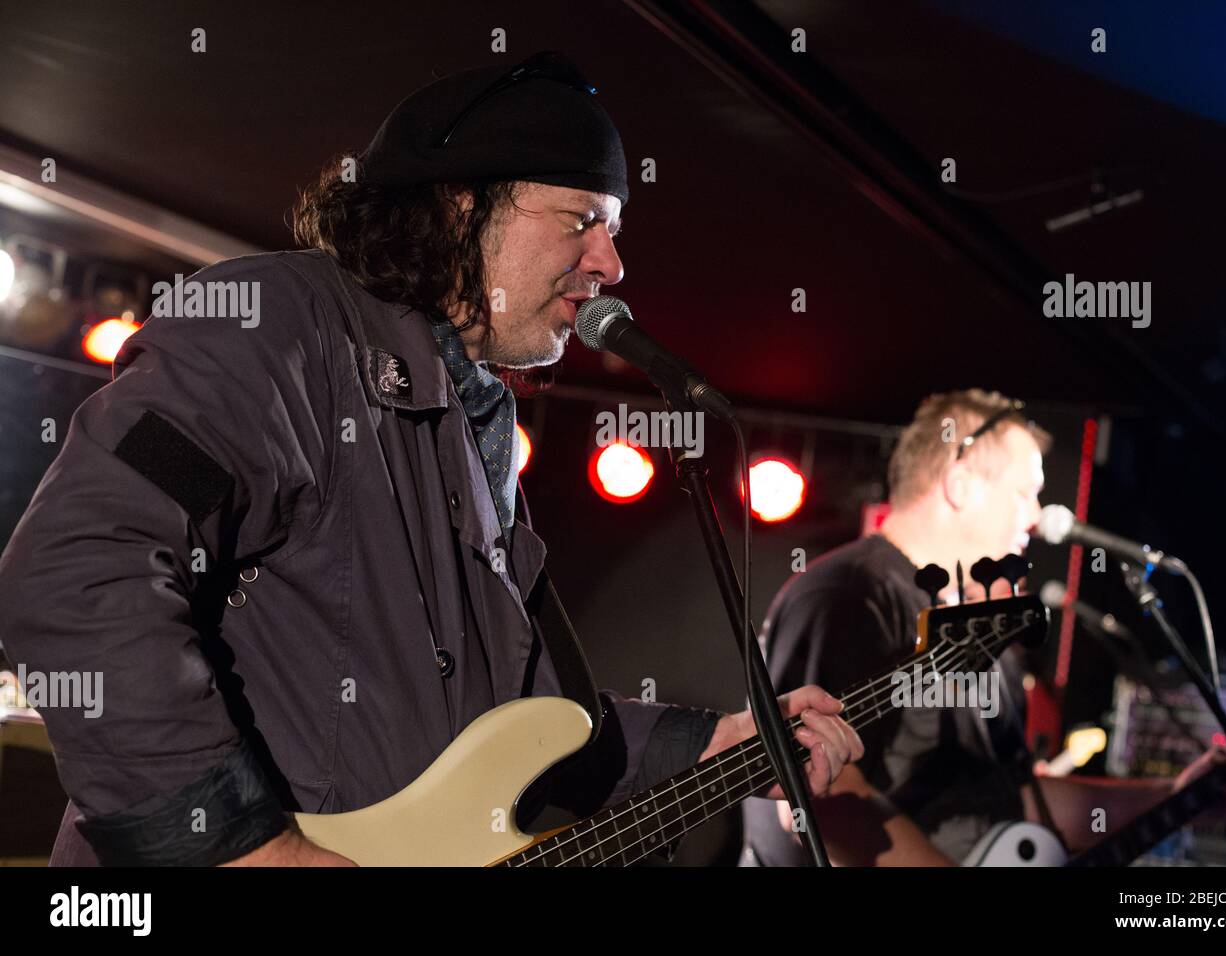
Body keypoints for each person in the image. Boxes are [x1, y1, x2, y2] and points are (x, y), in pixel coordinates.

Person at [0, 51, 860, 867]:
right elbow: (74, 566)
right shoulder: (278, 326)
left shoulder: (472, 421)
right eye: (584, 220)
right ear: (461, 205)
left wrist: (713, 743)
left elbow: (515, 721)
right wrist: (232, 844)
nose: (612, 261)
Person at [742, 389, 1226, 866]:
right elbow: (814, 799)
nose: (1038, 517)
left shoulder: (982, 629)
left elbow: (1016, 800)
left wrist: (1176, 798)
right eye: (1025, 493)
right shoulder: (849, 594)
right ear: (961, 485)